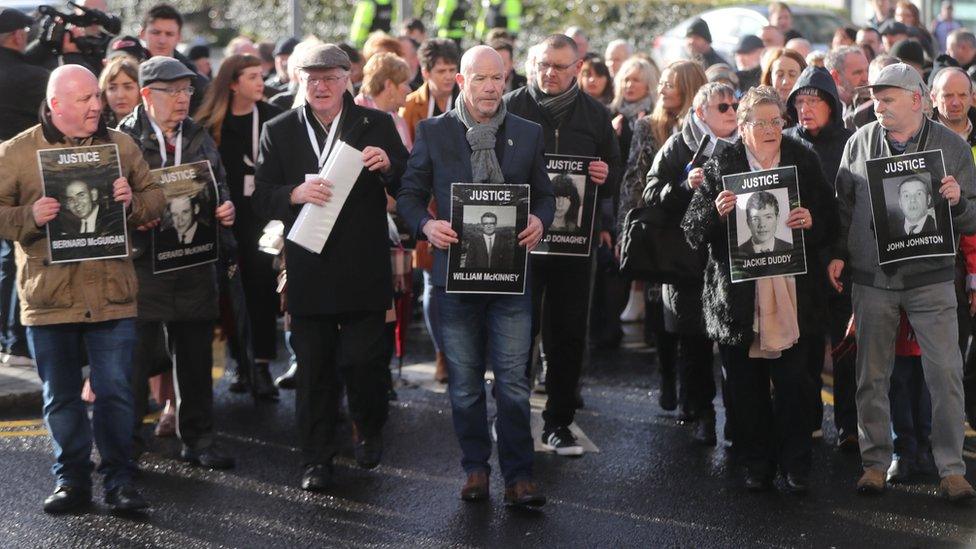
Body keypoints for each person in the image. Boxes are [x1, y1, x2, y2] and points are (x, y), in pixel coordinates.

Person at [0, 64, 165, 513]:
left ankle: (119, 481)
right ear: (56, 106)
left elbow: (155, 198)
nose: (97, 105)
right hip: (50, 299)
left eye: (97, 96)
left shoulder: (121, 146)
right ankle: (71, 481)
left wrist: (134, 203)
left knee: (115, 392)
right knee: (61, 397)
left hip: (112, 294)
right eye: (85, 99)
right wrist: (28, 217)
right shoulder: (16, 153)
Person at [397, 45, 554, 508]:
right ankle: (475, 469)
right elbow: (409, 194)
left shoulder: (527, 132)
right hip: (455, 280)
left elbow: (545, 196)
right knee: (465, 384)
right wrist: (426, 225)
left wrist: (541, 220)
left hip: (511, 280)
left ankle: (520, 476)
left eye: (497, 77)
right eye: (479, 78)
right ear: (461, 82)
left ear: (506, 80)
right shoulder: (433, 131)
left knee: (511, 381)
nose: (489, 86)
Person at [253, 44, 408, 490]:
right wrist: (292, 196)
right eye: (312, 78)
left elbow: (407, 176)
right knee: (314, 372)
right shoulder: (279, 130)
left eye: (330, 77)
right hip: (308, 266)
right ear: (299, 80)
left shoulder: (374, 123)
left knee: (364, 362)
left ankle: (369, 425)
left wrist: (388, 166)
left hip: (363, 264)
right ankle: (315, 460)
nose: (321, 86)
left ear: (348, 79)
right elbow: (262, 196)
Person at [829, 63, 976, 503]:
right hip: (874, 278)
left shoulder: (951, 146)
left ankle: (952, 469)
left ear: (916, 99)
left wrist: (957, 202)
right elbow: (842, 206)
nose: (878, 106)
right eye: (875, 98)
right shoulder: (858, 143)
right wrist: (837, 254)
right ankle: (874, 464)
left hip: (931, 277)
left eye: (887, 98)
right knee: (870, 375)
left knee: (946, 374)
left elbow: (973, 214)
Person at [683, 85, 837, 493]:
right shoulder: (723, 162)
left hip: (793, 294)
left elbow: (831, 220)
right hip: (738, 299)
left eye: (776, 121)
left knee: (795, 387)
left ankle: (797, 464)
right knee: (746, 389)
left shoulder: (802, 158)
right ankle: (757, 464)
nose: (770, 129)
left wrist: (811, 219)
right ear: (743, 125)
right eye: (761, 122)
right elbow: (693, 230)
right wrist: (716, 212)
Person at [117, 56, 237, 467]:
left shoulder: (200, 136)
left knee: (195, 357)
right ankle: (127, 447)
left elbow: (218, 186)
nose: (183, 99)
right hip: (141, 264)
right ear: (148, 95)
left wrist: (225, 209)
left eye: (187, 90)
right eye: (173, 91)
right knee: (132, 363)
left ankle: (199, 440)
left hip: (193, 262)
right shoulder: (122, 140)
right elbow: (108, 206)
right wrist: (137, 211)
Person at [505, 33, 621, 456]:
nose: (549, 73)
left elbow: (615, 171)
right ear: (531, 64)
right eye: (543, 64)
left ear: (577, 69)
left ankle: (559, 422)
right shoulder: (511, 107)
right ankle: (513, 417)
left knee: (568, 334)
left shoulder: (595, 115)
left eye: (559, 66)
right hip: (520, 242)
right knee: (517, 334)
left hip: (574, 245)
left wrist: (603, 178)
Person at [642, 81, 738, 444]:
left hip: (732, 258)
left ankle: (736, 421)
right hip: (687, 261)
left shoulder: (745, 144)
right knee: (694, 342)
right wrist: (683, 185)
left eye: (734, 104)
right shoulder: (680, 144)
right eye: (723, 107)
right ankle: (701, 413)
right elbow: (651, 192)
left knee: (733, 342)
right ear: (701, 113)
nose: (731, 112)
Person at [195, 54, 283, 397]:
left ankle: (261, 365)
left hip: (264, 222)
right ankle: (240, 363)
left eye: (260, 75)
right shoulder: (210, 126)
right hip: (226, 221)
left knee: (261, 292)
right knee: (232, 296)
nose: (260, 82)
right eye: (250, 77)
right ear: (232, 83)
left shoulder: (273, 119)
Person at [783, 64, 858, 446]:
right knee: (805, 349)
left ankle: (848, 425)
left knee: (845, 350)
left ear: (831, 104)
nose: (805, 108)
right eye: (799, 101)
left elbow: (853, 208)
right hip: (798, 264)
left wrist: (839, 254)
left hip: (841, 260)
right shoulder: (783, 142)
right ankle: (809, 420)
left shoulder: (851, 142)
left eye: (813, 100)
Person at [139, 4, 210, 113]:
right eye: (156, 33)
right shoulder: (130, 70)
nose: (162, 40)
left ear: (179, 38)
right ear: (142, 34)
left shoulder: (195, 80)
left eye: (169, 34)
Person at [401, 38, 460, 142]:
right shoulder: (409, 105)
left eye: (452, 70)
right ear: (425, 73)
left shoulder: (467, 101)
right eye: (441, 71)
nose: (449, 76)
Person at [356, 52, 413, 149]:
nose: (409, 90)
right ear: (389, 85)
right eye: (405, 83)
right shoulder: (356, 112)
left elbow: (408, 159)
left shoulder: (399, 120)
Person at [47, 179, 124, 238]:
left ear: (93, 195)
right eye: (71, 199)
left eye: (81, 195)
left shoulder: (112, 220)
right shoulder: (68, 227)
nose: (76, 203)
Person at [825, 46, 870, 131]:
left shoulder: (875, 108)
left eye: (867, 70)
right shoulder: (823, 110)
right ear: (835, 77)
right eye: (858, 72)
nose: (866, 78)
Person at [99, 58, 141, 128]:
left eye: (128, 87)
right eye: (112, 88)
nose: (120, 95)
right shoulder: (96, 130)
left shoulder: (155, 129)